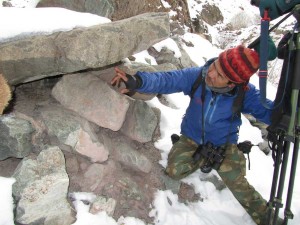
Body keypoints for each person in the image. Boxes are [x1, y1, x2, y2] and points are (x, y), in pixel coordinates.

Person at [111, 45, 276, 225]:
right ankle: (201, 157)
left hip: (224, 146)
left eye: (220, 75)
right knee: (174, 171)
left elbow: (270, 111)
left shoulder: (245, 94)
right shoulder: (199, 76)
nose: (211, 74)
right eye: (215, 65)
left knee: (238, 184)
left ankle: (269, 219)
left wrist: (287, 114)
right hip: (192, 138)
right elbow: (168, 80)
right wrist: (138, 81)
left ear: (232, 84)